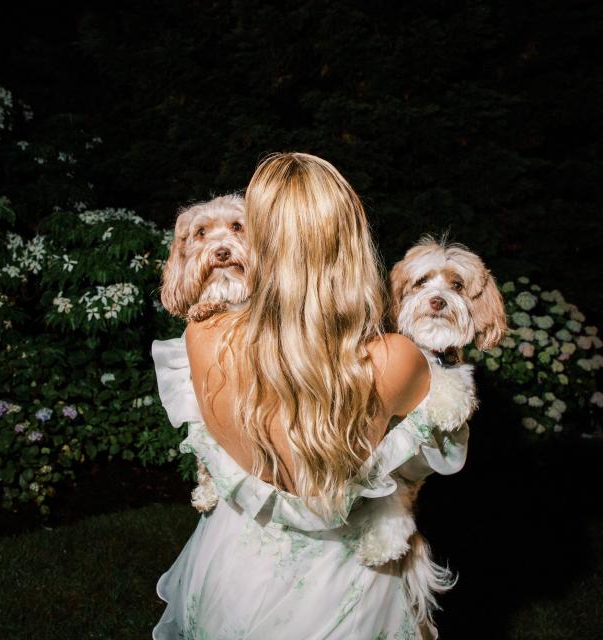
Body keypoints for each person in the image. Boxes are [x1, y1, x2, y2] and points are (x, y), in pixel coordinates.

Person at [150, 152, 469, 639]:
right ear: (351, 249)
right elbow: (428, 454)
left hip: (231, 575)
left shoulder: (202, 338)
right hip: (345, 592)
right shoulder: (396, 360)